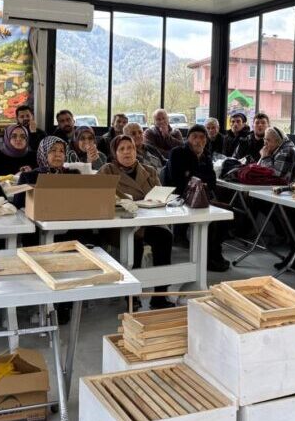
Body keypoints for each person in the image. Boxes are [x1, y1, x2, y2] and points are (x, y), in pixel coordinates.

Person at [98, 135, 174, 309]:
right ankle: (132, 296)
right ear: (114, 153)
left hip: (147, 221)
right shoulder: (107, 170)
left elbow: (160, 196)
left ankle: (160, 295)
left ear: (135, 150)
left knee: (165, 237)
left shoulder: (149, 170)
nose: (127, 152)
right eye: (122, 149)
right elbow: (100, 199)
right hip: (119, 225)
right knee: (135, 242)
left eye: (130, 148)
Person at [164, 125, 229, 271]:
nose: (198, 140)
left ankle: (215, 252)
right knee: (210, 220)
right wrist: (198, 181)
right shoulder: (178, 152)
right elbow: (177, 180)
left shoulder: (206, 155)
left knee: (228, 213)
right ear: (188, 139)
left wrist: (195, 179)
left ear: (206, 140)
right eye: (195, 137)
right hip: (179, 198)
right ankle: (207, 258)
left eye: (202, 137)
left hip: (202, 198)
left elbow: (212, 181)